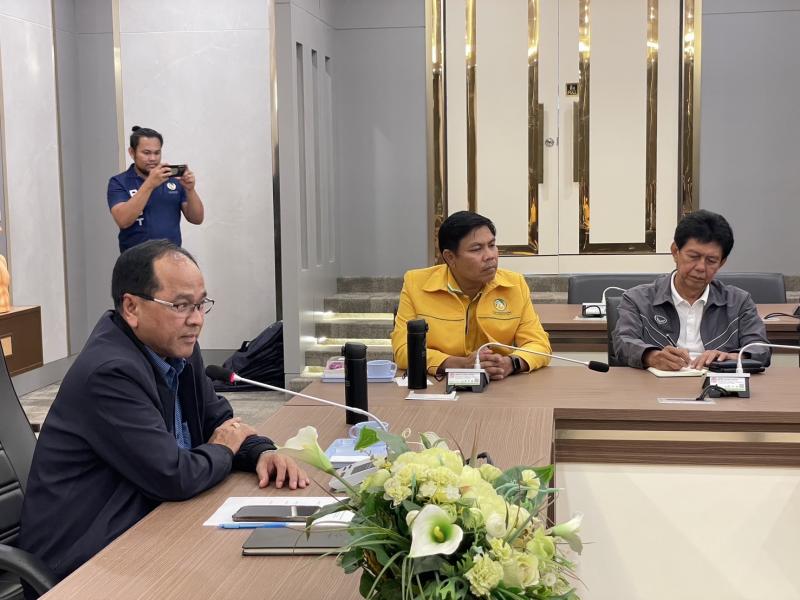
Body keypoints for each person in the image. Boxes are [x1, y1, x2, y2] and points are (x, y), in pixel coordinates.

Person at [18, 240, 308, 584]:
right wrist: (223, 448)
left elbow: (220, 422)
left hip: (148, 526)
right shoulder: (110, 373)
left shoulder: (178, 349)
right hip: (84, 560)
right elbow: (173, 475)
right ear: (131, 307)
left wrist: (262, 452)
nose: (196, 320)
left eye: (201, 305)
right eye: (181, 306)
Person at [391, 211, 551, 379]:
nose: (490, 256)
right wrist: (459, 364)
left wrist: (511, 363)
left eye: (492, 245)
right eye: (476, 249)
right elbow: (403, 349)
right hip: (438, 384)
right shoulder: (416, 284)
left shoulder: (514, 285)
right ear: (450, 257)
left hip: (499, 384)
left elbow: (539, 344)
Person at [612, 210, 770, 370]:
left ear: (721, 263)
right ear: (675, 252)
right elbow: (623, 341)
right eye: (693, 256)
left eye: (711, 260)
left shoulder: (739, 302)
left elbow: (761, 348)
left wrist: (733, 358)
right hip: (657, 382)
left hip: (716, 383)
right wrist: (652, 356)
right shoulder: (637, 299)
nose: (701, 267)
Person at [107, 126, 204, 253]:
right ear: (132, 152)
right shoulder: (119, 182)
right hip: (135, 259)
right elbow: (123, 220)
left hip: (171, 257)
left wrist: (190, 190)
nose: (152, 158)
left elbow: (197, 219)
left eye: (157, 153)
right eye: (146, 153)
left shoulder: (173, 181)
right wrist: (149, 184)